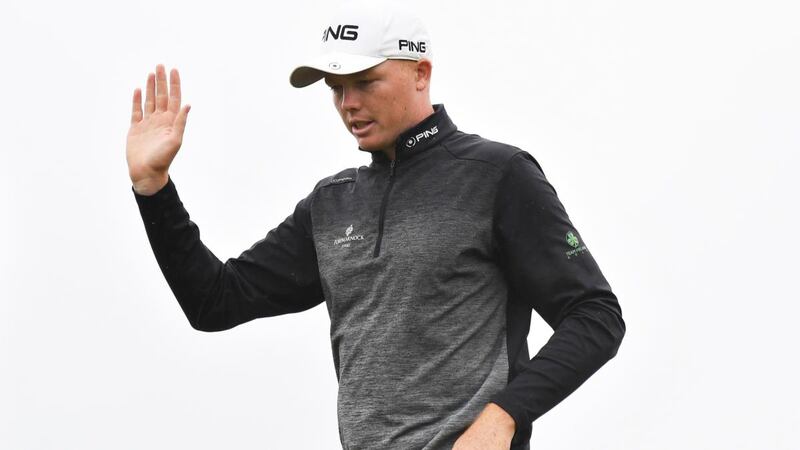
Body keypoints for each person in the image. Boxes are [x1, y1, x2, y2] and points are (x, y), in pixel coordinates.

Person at [126, 2, 625, 449]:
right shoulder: (331, 205)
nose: (348, 103)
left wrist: (504, 416)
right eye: (336, 88)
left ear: (420, 73)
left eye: (365, 82)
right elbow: (214, 301)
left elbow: (595, 315)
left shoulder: (498, 175)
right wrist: (154, 188)